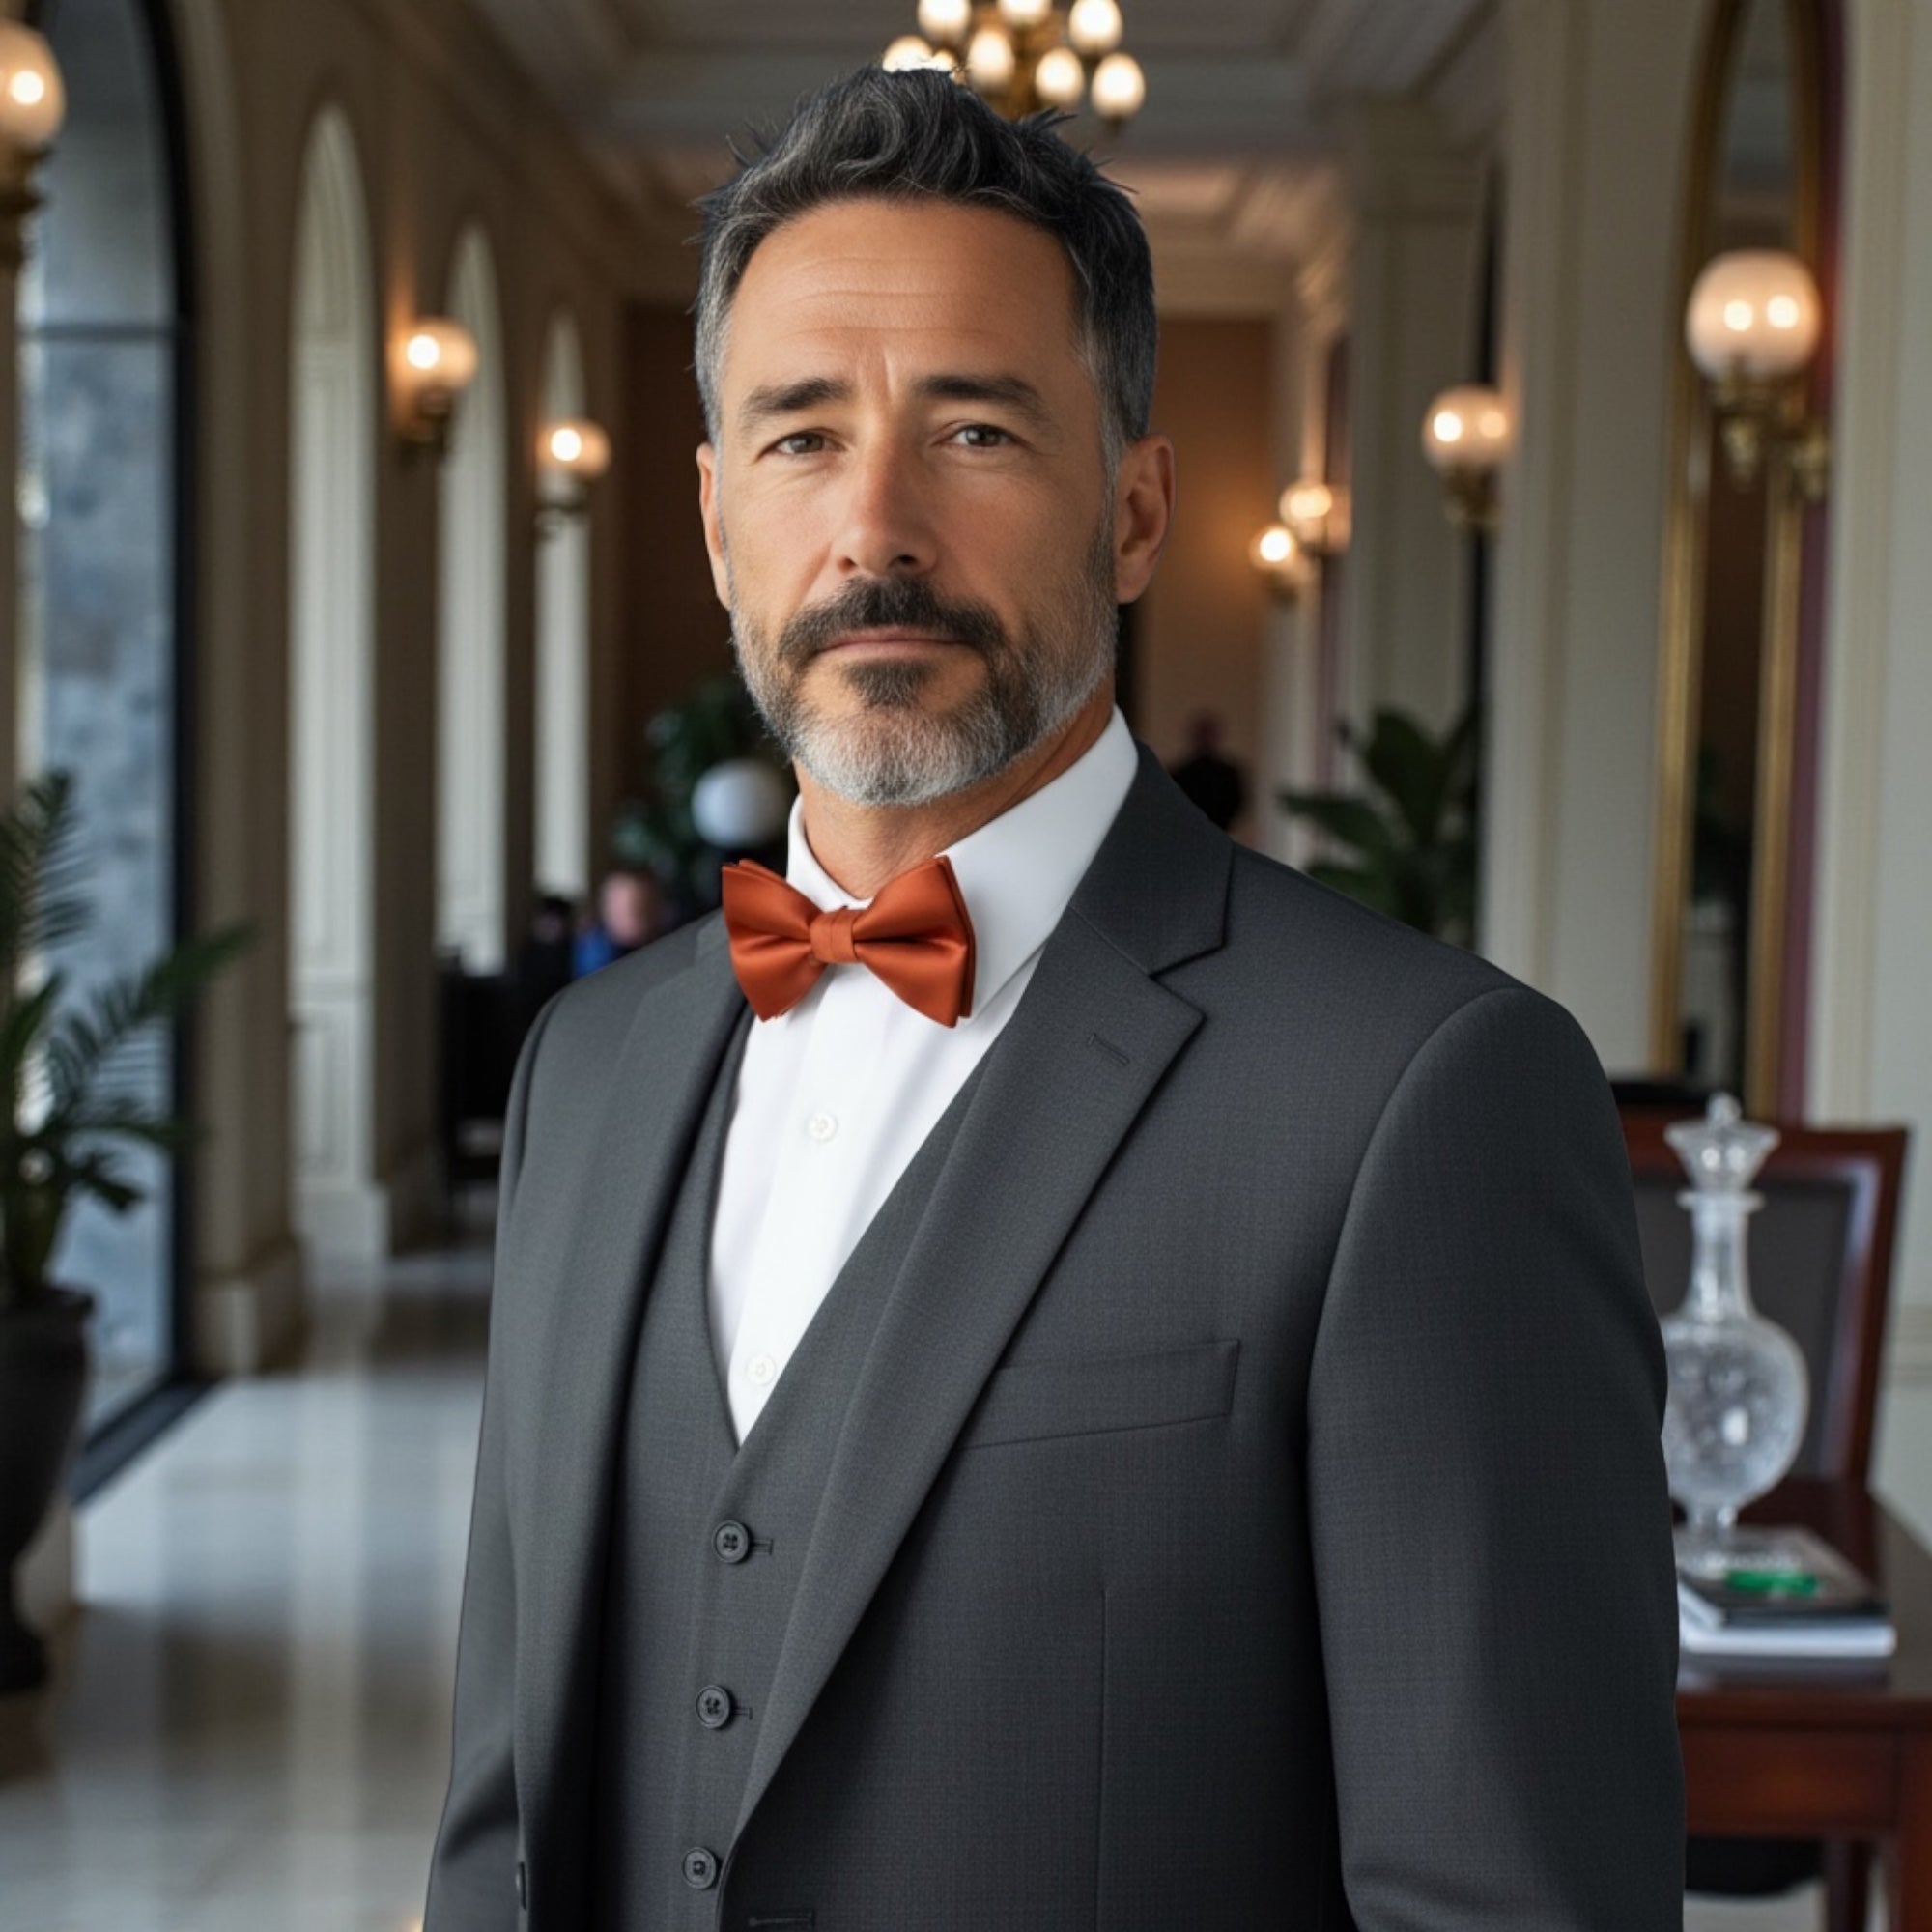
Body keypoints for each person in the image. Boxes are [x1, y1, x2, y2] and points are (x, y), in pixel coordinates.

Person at [426, 68, 1682, 1931]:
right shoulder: (588, 1068)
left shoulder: (1423, 1097)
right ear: (712, 521)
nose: (875, 529)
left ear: (1139, 507)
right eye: (796, 438)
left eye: (979, 432)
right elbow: (504, 1818)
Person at [1167, 708, 1248, 831]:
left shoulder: (1228, 774)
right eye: (1202, 734)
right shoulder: (1180, 773)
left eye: (1207, 733)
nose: (1205, 738)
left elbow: (1237, 802)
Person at [573, 867, 660, 977]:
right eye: (620, 908)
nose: (632, 915)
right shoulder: (593, 957)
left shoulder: (665, 948)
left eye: (642, 906)